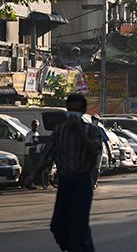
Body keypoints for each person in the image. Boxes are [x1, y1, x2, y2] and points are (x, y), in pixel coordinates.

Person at [26, 93, 102, 252]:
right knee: (58, 226)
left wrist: (79, 132)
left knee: (78, 226)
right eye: (70, 109)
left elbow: (94, 150)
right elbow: (47, 155)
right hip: (65, 182)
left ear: (83, 111)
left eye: (77, 109)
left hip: (82, 181)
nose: (73, 113)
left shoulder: (91, 130)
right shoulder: (60, 131)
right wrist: (34, 174)